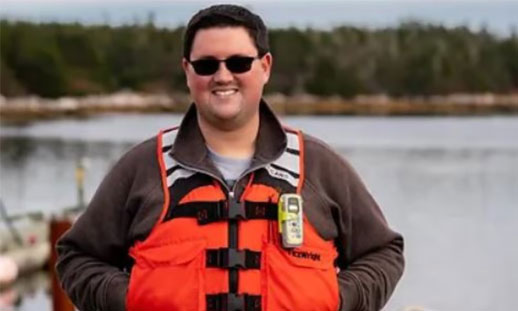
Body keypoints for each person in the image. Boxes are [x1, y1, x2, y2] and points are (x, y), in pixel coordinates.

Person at [56, 4, 404, 311]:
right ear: (187, 71)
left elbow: (384, 252)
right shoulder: (142, 167)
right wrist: (131, 300)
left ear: (265, 67)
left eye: (238, 62)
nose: (223, 76)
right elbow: (77, 256)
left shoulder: (319, 165)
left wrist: (336, 299)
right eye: (207, 65)